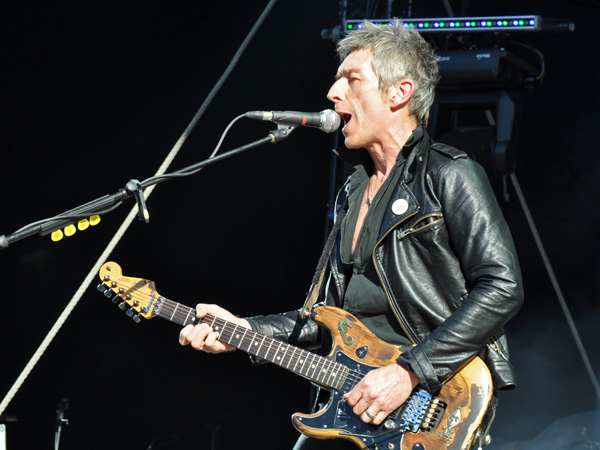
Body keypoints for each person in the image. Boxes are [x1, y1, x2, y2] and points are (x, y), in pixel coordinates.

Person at [179, 20, 524, 449]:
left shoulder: (450, 174)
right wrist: (241, 329)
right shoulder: (353, 190)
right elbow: (324, 319)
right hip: (355, 402)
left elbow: (503, 287)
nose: (332, 92)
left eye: (351, 79)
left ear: (399, 93)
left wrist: (409, 371)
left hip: (429, 400)